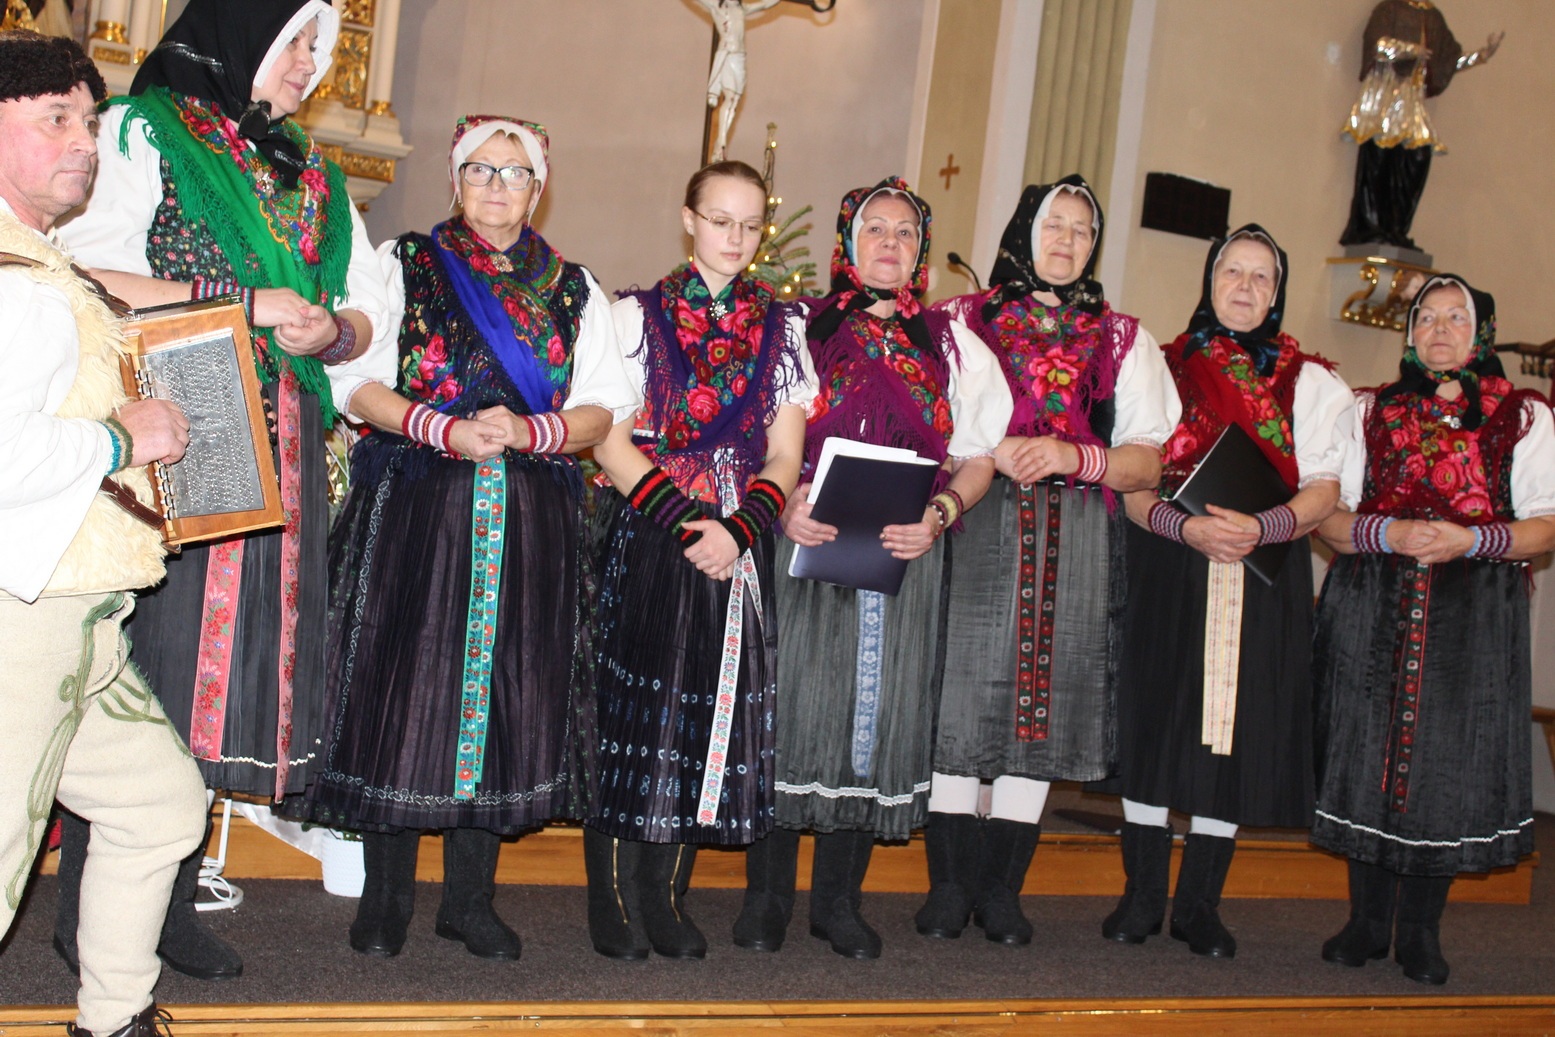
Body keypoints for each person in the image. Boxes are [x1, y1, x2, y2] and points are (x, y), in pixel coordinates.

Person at [53, 0, 396, 981]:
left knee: (233, 666)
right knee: (161, 656)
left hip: (283, 433)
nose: (310, 66)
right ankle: (89, 906)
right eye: (297, 43)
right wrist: (246, 301)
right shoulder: (145, 131)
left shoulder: (310, 169)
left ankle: (166, 898)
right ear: (243, 36)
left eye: (319, 50)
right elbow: (84, 268)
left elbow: (370, 305)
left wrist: (333, 330)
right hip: (187, 408)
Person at [296, 114, 636, 961]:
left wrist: (530, 432)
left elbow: (602, 406)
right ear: (455, 180)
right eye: (480, 169)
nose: (496, 186)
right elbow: (352, 381)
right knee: (403, 686)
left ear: (538, 188)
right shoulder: (405, 263)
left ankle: (469, 901)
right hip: (417, 502)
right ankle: (387, 897)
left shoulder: (573, 288)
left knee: (504, 691)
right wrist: (440, 428)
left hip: (531, 513)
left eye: (515, 172)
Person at [737, 177, 1011, 960]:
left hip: (903, 552)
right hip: (808, 539)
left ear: (920, 249)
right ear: (847, 243)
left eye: (904, 232)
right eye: (874, 229)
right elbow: (756, 430)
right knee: (792, 712)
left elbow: (978, 456)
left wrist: (939, 515)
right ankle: (766, 899)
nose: (890, 243)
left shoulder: (952, 345)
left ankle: (837, 903)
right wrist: (783, 502)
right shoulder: (797, 327)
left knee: (872, 719)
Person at [0, 30, 208, 1037]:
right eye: (55, 118)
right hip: (24, 609)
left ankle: (114, 1018)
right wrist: (125, 434)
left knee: (159, 802)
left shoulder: (45, 265)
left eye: (88, 118)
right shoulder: (15, 284)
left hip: (80, 607)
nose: (84, 140)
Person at [922, 176, 1179, 945]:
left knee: (1042, 704)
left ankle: (1000, 889)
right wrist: (991, 446)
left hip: (1076, 530)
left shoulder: (1123, 338)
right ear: (1023, 232)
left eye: (1080, 229)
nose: (1066, 240)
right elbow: (924, 412)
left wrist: (1074, 454)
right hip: (978, 514)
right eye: (1052, 225)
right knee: (962, 695)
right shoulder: (960, 320)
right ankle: (948, 887)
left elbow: (1147, 460)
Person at [585, 159, 812, 961]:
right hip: (652, 527)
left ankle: (665, 895)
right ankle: (612, 895)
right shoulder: (632, 316)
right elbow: (607, 439)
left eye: (749, 225)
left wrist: (740, 528)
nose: (735, 238)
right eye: (720, 220)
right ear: (688, 219)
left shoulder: (783, 330)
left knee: (703, 712)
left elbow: (784, 452)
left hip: (737, 539)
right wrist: (688, 524)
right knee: (631, 709)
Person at [1107, 226, 1353, 959]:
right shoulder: (1160, 365)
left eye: (1260, 277)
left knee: (1235, 731)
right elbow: (1133, 487)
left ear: (1277, 293)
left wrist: (1261, 527)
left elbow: (1324, 491)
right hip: (1169, 561)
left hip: (1264, 567)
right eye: (1231, 272)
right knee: (1156, 715)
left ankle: (1198, 906)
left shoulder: (1311, 381)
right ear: (1209, 282)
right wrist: (1187, 530)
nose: (1244, 287)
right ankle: (1141, 896)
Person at [1310, 275, 1555, 985]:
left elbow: (1544, 526)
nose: (1440, 329)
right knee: (1369, 755)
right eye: (1426, 317)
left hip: (1471, 613)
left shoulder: (1522, 416)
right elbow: (1329, 516)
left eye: (1457, 318)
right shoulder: (1368, 410)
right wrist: (1387, 532)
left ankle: (1419, 931)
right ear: (1409, 331)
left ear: (1480, 334)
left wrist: (1468, 540)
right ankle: (1364, 922)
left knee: (1446, 763)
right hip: (1372, 602)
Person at [1339, 0, 1502, 250]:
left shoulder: (1433, 16)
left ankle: (1396, 229)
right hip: (1386, 98)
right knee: (1379, 163)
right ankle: (1372, 228)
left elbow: (1448, 61)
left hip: (1411, 103)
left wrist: (1482, 55)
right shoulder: (1389, 9)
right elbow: (1377, 45)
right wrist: (1410, 50)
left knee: (1417, 159)